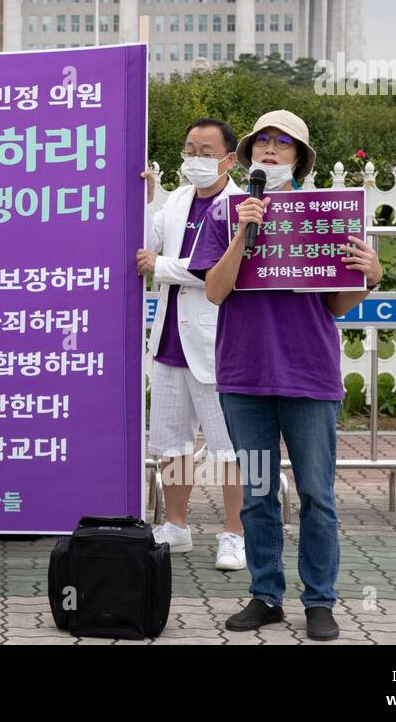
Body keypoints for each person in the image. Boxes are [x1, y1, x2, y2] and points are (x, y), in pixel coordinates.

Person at [189, 110, 382, 641]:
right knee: (256, 492)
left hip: (309, 375)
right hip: (244, 376)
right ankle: (265, 594)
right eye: (262, 143)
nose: (270, 151)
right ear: (249, 153)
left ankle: (320, 600)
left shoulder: (328, 213)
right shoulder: (227, 211)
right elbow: (215, 289)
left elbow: (339, 305)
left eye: (283, 144)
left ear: (299, 156)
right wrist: (243, 232)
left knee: (318, 494)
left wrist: (372, 276)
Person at [135, 118, 245, 570]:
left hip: (219, 343)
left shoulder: (241, 205)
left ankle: (236, 533)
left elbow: (215, 271)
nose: (196, 159)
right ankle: (176, 526)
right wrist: (144, 201)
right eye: (190, 149)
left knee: (228, 446)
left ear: (229, 158)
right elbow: (143, 249)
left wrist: (162, 267)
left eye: (206, 151)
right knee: (172, 442)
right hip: (170, 341)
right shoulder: (178, 200)